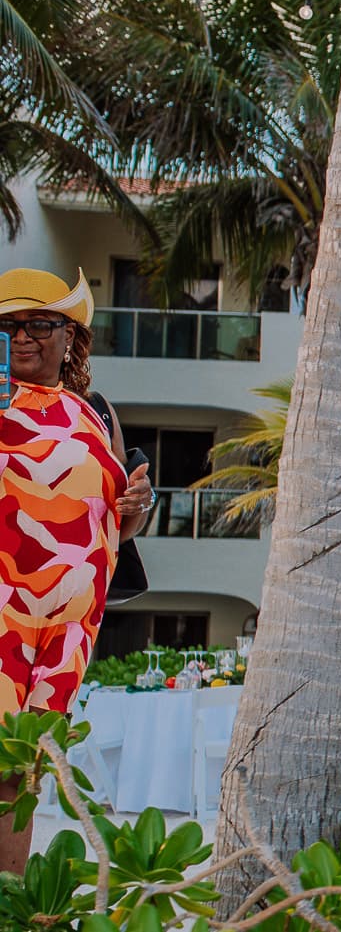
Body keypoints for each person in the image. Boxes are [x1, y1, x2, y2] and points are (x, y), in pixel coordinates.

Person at [0, 268, 155, 874]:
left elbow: (119, 522)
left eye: (39, 324)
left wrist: (137, 505)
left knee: (26, 767)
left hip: (68, 633)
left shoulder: (97, 413)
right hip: (4, 616)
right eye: (9, 326)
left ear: (71, 338)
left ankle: (13, 901)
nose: (23, 337)